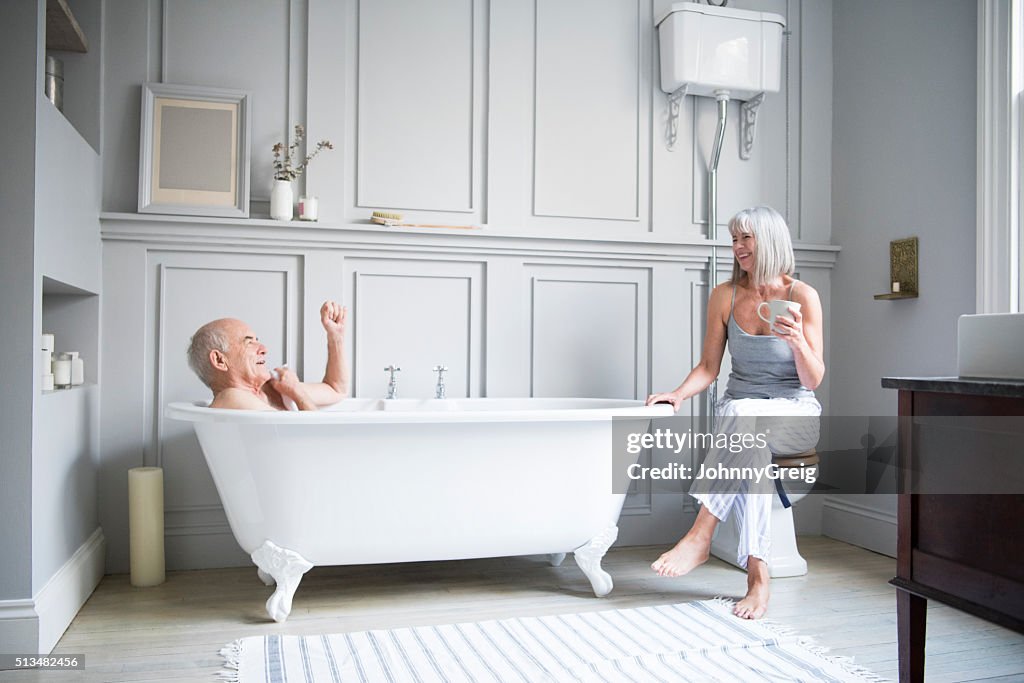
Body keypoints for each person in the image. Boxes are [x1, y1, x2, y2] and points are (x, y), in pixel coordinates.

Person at [645, 206, 825, 620]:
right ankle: (758, 579)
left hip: (794, 413)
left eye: (747, 238)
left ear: (770, 241)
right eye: (734, 239)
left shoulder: (802, 296)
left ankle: (700, 533)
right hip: (746, 421)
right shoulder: (724, 296)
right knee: (751, 440)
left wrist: (798, 340)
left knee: (744, 416)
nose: (739, 247)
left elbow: (814, 380)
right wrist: (678, 394)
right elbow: (709, 367)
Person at [186, 300, 349, 411]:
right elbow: (308, 436)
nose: (264, 349)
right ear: (220, 360)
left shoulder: (274, 389)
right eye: (248, 342)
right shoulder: (231, 398)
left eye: (258, 340)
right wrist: (298, 394)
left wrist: (336, 337)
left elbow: (336, 390)